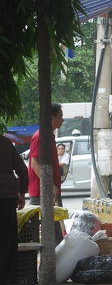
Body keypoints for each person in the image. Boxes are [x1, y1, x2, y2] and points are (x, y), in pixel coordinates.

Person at [28, 103, 64, 244]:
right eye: (60, 117)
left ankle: (58, 258)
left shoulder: (49, 136)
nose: (62, 120)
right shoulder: (40, 136)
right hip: (40, 191)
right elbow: (34, 164)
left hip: (49, 191)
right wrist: (49, 185)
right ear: (51, 117)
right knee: (39, 229)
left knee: (54, 227)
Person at [0, 134, 28, 285]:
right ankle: (3, 281)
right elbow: (22, 170)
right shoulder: (5, 143)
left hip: (7, 195)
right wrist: (22, 194)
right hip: (7, 198)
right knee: (6, 240)